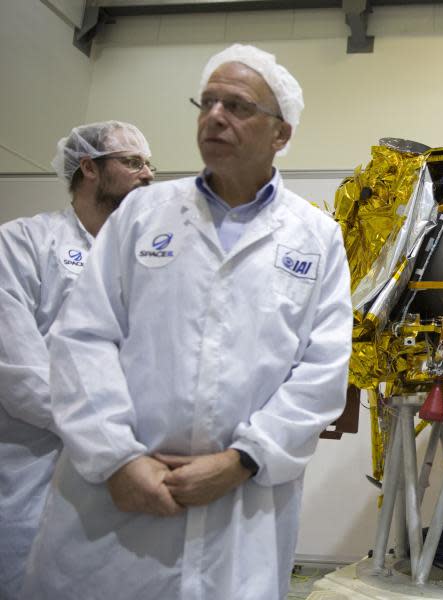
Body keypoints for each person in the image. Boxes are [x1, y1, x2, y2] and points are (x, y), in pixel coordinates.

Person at [21, 44, 352, 599]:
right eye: (208, 102)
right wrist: (118, 459)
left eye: (239, 106)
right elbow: (82, 338)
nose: (216, 116)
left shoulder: (315, 237)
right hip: (116, 499)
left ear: (281, 134)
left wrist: (243, 459)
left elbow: (322, 370)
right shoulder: (142, 215)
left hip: (240, 503)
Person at [0, 121, 153, 599]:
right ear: (89, 167)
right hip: (35, 464)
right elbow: (20, 372)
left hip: (128, 467)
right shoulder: (22, 243)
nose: (148, 175)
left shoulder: (149, 260)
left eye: (150, 164)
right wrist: (106, 432)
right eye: (133, 162)